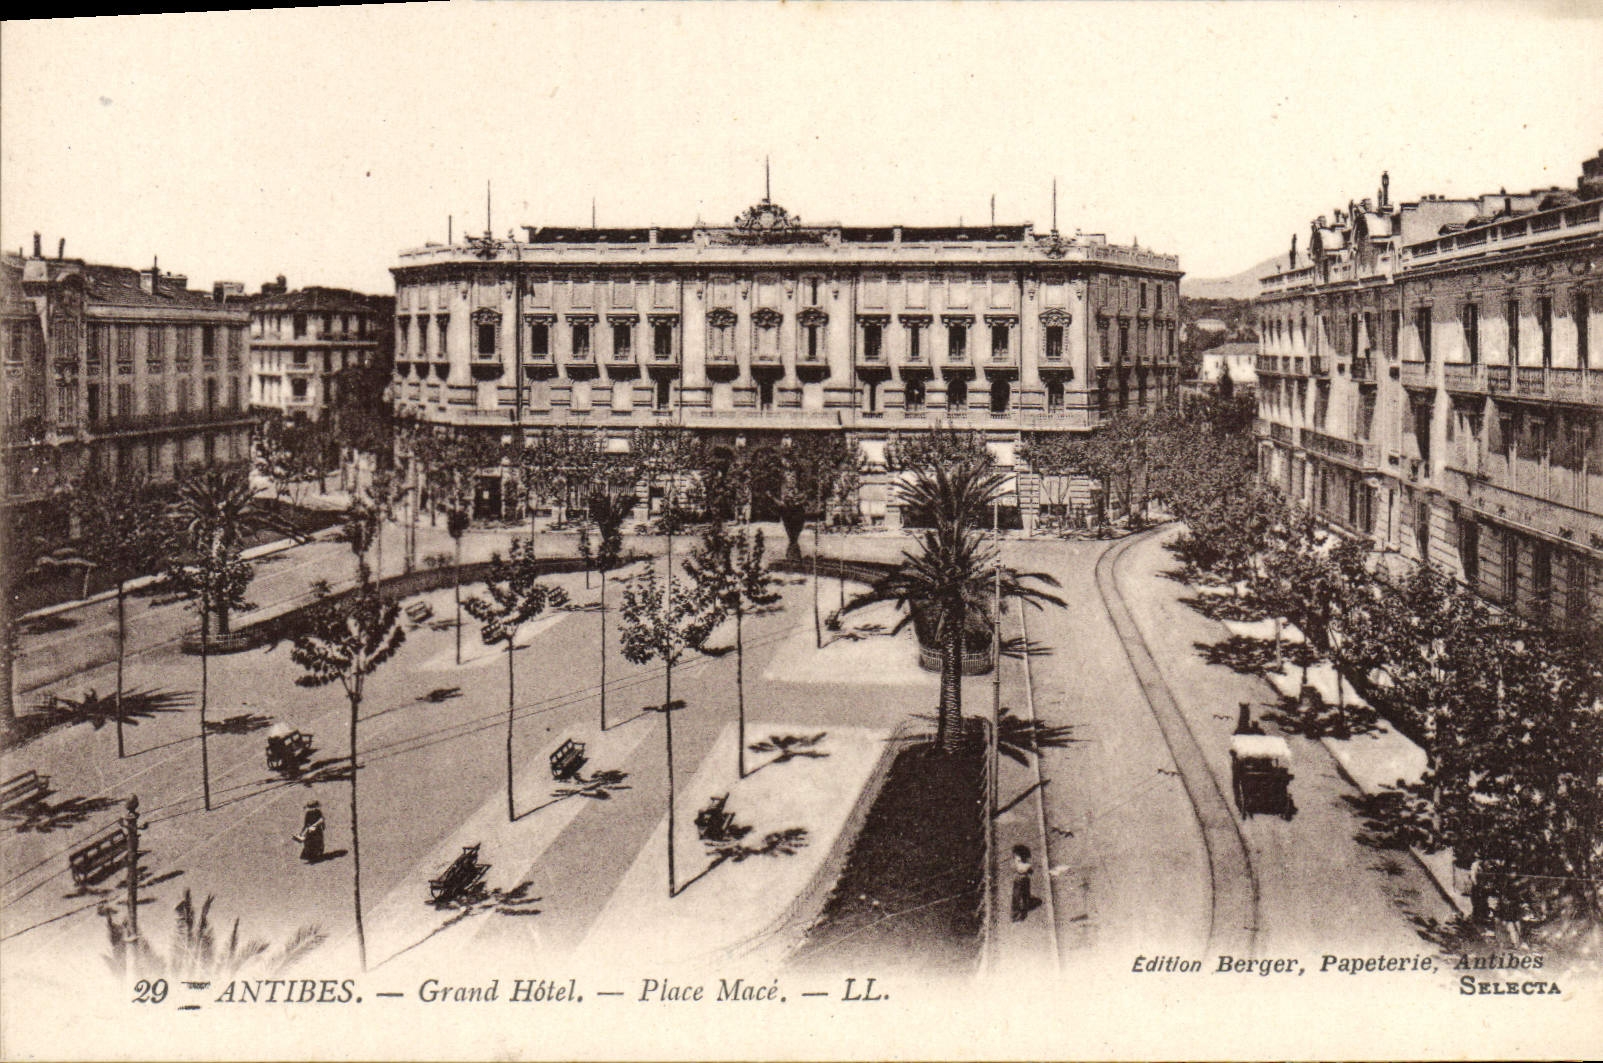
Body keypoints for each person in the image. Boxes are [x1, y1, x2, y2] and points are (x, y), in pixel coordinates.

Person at [1010, 844, 1034, 922]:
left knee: (1016, 896)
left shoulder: (1017, 863)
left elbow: (1014, 868)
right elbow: (1030, 871)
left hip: (1018, 879)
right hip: (1025, 880)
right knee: (1024, 895)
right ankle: (1023, 911)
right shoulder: (1027, 865)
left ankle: (1015, 913)